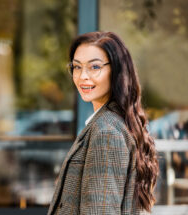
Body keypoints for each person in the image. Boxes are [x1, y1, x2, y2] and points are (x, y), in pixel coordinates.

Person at [47, 32, 159, 215]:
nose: (83, 76)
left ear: (116, 71)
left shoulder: (106, 132)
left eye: (95, 67)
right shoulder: (112, 123)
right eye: (76, 67)